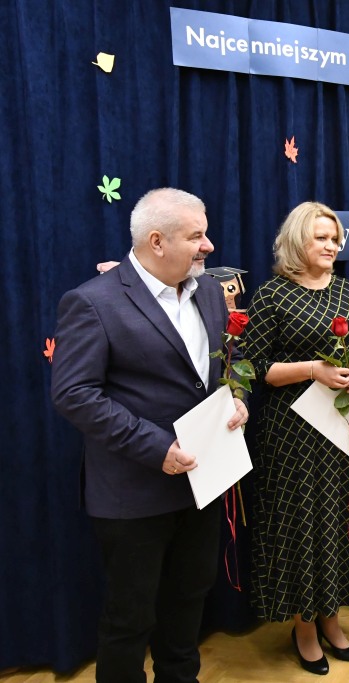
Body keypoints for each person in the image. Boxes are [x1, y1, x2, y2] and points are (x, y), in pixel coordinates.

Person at [51, 188, 248, 683]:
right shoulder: (93, 302)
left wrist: (237, 395)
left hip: (202, 485)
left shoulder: (209, 292)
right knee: (129, 618)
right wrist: (157, 448)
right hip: (133, 493)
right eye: (197, 236)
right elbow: (74, 394)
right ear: (157, 241)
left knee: (188, 604)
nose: (209, 245)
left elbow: (228, 362)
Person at [244, 201, 349, 675]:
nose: (332, 245)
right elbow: (255, 367)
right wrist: (313, 370)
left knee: (338, 522)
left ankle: (331, 619)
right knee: (301, 527)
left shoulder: (347, 290)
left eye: (335, 238)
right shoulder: (272, 295)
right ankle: (303, 627)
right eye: (322, 237)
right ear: (298, 240)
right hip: (290, 434)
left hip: (340, 429)